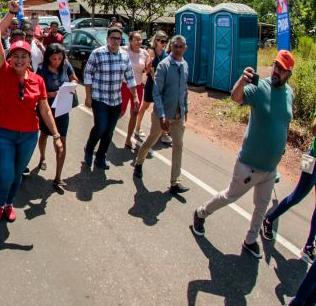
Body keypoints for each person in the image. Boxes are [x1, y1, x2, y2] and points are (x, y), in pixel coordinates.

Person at [193, 50, 295, 259]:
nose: (276, 71)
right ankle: (201, 212)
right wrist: (241, 80)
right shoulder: (260, 87)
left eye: (282, 69)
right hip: (249, 164)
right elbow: (236, 97)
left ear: (288, 74)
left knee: (261, 206)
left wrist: (282, 144)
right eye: (275, 66)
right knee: (230, 196)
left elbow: (285, 121)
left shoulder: (290, 94)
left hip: (270, 167)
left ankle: (250, 240)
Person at [0, 1, 62, 223]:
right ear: (10, 57)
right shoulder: (3, 71)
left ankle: (8, 204)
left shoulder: (38, 80)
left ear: (31, 59)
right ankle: (0, 204)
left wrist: (56, 135)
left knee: (18, 174)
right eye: (16, 55)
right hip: (3, 134)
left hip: (29, 135)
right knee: (5, 174)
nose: (19, 59)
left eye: (24, 56)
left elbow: (45, 109)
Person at [132, 35, 190, 194]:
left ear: (185, 48)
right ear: (172, 47)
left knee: (178, 146)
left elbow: (184, 90)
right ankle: (139, 161)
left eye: (181, 46)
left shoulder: (185, 65)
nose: (178, 49)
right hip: (162, 114)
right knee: (151, 139)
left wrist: (185, 108)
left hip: (178, 115)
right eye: (175, 46)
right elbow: (156, 92)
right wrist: (162, 116)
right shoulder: (164, 66)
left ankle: (175, 182)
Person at [262, 112, 316, 263]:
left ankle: (309, 245)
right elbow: (314, 129)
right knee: (297, 196)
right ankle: (269, 219)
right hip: (313, 159)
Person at [83, 26, 138, 170]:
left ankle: (101, 156)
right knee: (101, 127)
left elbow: (130, 78)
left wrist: (136, 97)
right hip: (99, 98)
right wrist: (88, 96)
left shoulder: (124, 56)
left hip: (116, 100)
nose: (115, 41)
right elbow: (88, 75)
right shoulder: (97, 54)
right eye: (112, 38)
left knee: (109, 131)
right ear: (107, 39)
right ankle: (89, 149)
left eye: (118, 38)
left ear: (121, 40)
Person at [36, 43, 79, 186]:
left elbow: (74, 78)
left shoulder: (66, 65)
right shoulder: (41, 69)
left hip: (63, 109)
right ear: (48, 57)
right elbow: (35, 91)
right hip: (46, 109)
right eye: (54, 59)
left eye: (59, 58)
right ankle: (42, 158)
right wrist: (51, 94)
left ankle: (58, 177)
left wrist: (72, 85)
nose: (57, 62)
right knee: (44, 135)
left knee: (62, 140)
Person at [131, 31, 168, 142]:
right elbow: (149, 69)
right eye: (161, 41)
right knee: (145, 106)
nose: (163, 43)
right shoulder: (151, 52)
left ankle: (163, 133)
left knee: (162, 108)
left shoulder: (165, 53)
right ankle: (137, 128)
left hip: (161, 84)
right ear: (156, 41)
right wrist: (156, 80)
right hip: (152, 84)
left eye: (165, 41)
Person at [121, 31, 150, 149]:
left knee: (135, 112)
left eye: (140, 39)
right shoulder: (123, 50)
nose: (139, 42)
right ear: (130, 41)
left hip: (138, 87)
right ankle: (107, 130)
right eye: (136, 39)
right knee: (120, 112)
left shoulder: (145, 53)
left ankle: (128, 139)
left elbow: (147, 69)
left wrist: (149, 69)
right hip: (124, 85)